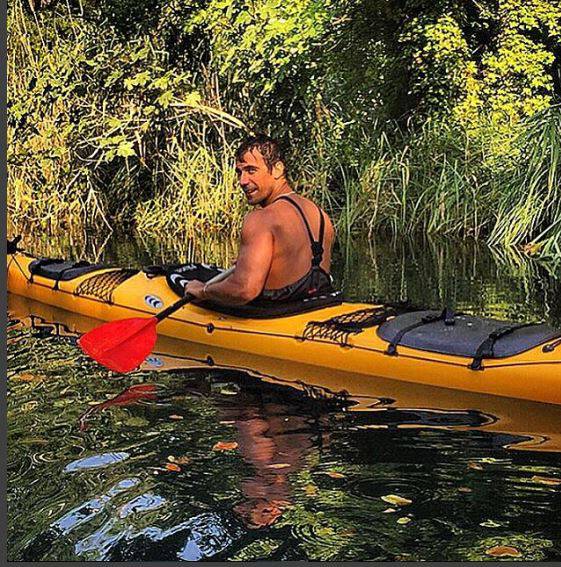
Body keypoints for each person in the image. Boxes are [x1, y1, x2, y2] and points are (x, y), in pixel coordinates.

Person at [184, 134, 335, 306]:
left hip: (275, 316)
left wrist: (203, 290)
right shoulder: (321, 215)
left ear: (278, 169)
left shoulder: (261, 219)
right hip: (313, 308)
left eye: (251, 170)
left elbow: (244, 290)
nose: (242, 181)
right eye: (239, 172)